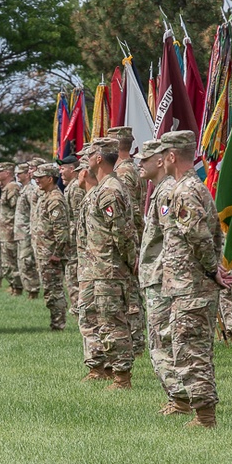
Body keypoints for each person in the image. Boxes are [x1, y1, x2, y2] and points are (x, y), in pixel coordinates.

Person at [160, 130, 232, 427]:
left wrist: (211, 267)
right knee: (190, 347)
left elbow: (198, 235)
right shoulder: (192, 187)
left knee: (190, 349)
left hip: (192, 283)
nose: (161, 159)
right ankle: (203, 412)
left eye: (164, 154)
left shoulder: (186, 191)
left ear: (172, 156)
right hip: (188, 283)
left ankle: (205, 416)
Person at [81, 137, 139, 389]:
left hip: (110, 269)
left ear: (99, 158)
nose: (86, 158)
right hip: (97, 268)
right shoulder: (100, 188)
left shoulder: (111, 191)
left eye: (90, 153)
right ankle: (102, 369)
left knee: (113, 322)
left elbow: (122, 233)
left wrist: (131, 261)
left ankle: (122, 376)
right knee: (98, 319)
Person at [136, 139, 187, 414]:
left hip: (162, 278)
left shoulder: (167, 191)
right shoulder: (159, 191)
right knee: (160, 337)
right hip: (155, 275)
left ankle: (180, 398)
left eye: (145, 159)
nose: (139, 164)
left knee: (162, 339)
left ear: (161, 161)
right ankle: (177, 396)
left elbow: (172, 238)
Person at [107, 125, 147, 356]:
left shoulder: (123, 173)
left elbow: (128, 214)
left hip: (128, 238)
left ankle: (136, 341)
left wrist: (129, 248)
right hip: (132, 237)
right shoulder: (128, 168)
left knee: (130, 295)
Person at [75, 145, 112, 381]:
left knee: (99, 318)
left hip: (101, 269)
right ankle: (99, 367)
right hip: (90, 268)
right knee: (89, 317)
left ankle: (106, 368)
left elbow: (119, 234)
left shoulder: (103, 194)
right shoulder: (90, 198)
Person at [33, 163, 70, 331]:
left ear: (50, 178)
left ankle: (58, 324)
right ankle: (55, 322)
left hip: (51, 254)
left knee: (54, 290)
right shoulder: (46, 196)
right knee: (49, 289)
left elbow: (61, 229)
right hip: (44, 252)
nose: (37, 180)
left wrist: (58, 253)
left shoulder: (55, 199)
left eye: (40, 177)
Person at [59, 152, 84, 315]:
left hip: (75, 242)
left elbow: (77, 218)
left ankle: (78, 310)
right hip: (74, 240)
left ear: (72, 169)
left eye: (63, 169)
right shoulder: (71, 187)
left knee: (73, 277)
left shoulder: (75, 188)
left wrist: (69, 240)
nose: (60, 172)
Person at [14, 163, 41, 299]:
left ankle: (33, 290)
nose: (17, 175)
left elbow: (35, 212)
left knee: (26, 262)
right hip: (21, 232)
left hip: (27, 232)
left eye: (20, 173)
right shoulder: (25, 189)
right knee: (22, 261)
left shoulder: (31, 190)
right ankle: (29, 289)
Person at [0, 162, 22, 295]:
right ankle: (13, 285)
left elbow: (17, 209)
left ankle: (17, 287)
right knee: (6, 261)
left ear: (7, 173)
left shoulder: (12, 187)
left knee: (11, 260)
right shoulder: (6, 187)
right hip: (5, 230)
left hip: (10, 230)